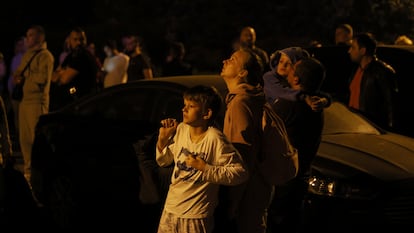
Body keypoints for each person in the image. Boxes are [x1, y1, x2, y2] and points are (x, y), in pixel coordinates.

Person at [156, 85, 248, 233]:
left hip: (196, 215)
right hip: (171, 209)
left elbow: (240, 173)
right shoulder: (181, 130)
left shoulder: (215, 138)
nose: (184, 109)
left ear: (206, 113)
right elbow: (164, 161)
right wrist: (162, 140)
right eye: (185, 105)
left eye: (191, 106)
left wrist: (205, 168)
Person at [267, 57, 326, 232]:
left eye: (292, 70)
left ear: (296, 79)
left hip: (283, 181)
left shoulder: (287, 106)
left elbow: (265, 133)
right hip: (299, 178)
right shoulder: (315, 105)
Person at [217, 48, 271, 233]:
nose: (225, 60)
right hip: (257, 187)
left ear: (242, 73)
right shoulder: (251, 98)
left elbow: (243, 154)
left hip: (247, 192)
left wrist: (233, 201)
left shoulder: (241, 103)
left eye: (232, 60)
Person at [11, 25, 54, 185]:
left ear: (39, 38)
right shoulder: (27, 55)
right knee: (25, 141)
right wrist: (17, 77)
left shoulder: (46, 56)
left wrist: (25, 75)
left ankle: (40, 178)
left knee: (37, 142)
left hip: (37, 103)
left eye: (30, 35)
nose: (27, 38)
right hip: (24, 102)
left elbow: (42, 79)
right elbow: (19, 73)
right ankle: (29, 175)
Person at [347, 33, 398, 130]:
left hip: (371, 128)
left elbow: (390, 103)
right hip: (354, 125)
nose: (349, 51)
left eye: (353, 48)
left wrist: (389, 129)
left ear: (362, 50)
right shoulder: (356, 70)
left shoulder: (382, 71)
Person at [264, 47, 330, 111]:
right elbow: (281, 92)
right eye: (281, 61)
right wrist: (304, 97)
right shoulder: (269, 77)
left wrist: (324, 101)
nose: (283, 65)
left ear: (296, 66)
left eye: (289, 63)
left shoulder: (297, 81)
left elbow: (317, 93)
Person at [50, 27, 99, 111]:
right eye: (75, 39)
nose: (79, 42)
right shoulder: (70, 56)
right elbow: (54, 75)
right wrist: (62, 72)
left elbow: (64, 79)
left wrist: (62, 73)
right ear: (69, 40)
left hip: (84, 103)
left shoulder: (83, 56)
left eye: (81, 39)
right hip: (72, 103)